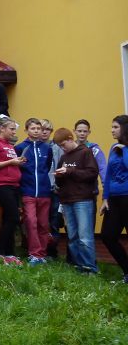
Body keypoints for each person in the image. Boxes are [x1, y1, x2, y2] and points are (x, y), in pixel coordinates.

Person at [53, 128, 99, 274]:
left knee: (85, 237)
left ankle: (90, 268)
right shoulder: (63, 158)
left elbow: (92, 173)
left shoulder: (85, 152)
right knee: (72, 236)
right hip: (67, 200)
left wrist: (69, 171)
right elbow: (60, 182)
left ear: (70, 138)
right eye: (60, 146)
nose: (62, 148)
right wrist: (59, 177)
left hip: (83, 200)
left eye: (63, 144)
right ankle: (79, 266)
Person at [15, 118, 53, 264]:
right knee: (31, 222)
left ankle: (42, 254)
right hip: (28, 191)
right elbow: (17, 168)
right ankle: (34, 253)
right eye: (33, 128)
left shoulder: (46, 148)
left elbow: (47, 166)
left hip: (44, 192)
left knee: (43, 224)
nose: (36, 131)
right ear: (26, 130)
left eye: (38, 128)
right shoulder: (20, 147)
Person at [0, 118, 24, 258]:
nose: (14, 132)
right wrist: (11, 162)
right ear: (2, 128)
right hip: (1, 185)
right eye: (11, 129)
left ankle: (9, 253)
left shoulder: (9, 145)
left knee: (10, 218)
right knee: (13, 217)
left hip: (14, 185)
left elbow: (9, 162)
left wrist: (17, 163)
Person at [100, 115, 128, 284]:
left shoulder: (121, 148)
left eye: (116, 127)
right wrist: (105, 198)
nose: (112, 130)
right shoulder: (113, 147)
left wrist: (124, 149)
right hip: (114, 199)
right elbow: (109, 174)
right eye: (112, 127)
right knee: (108, 236)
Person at [41, 118, 64, 258]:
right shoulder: (35, 146)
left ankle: (52, 251)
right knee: (42, 221)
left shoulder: (57, 148)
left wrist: (58, 186)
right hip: (40, 189)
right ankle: (40, 250)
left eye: (48, 129)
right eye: (42, 129)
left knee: (54, 220)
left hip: (54, 189)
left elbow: (61, 167)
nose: (44, 132)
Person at [74, 119, 107, 204]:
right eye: (79, 131)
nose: (82, 133)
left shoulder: (95, 149)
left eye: (85, 131)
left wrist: (106, 188)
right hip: (71, 193)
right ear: (74, 131)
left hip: (89, 193)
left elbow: (102, 168)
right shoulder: (69, 148)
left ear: (89, 132)